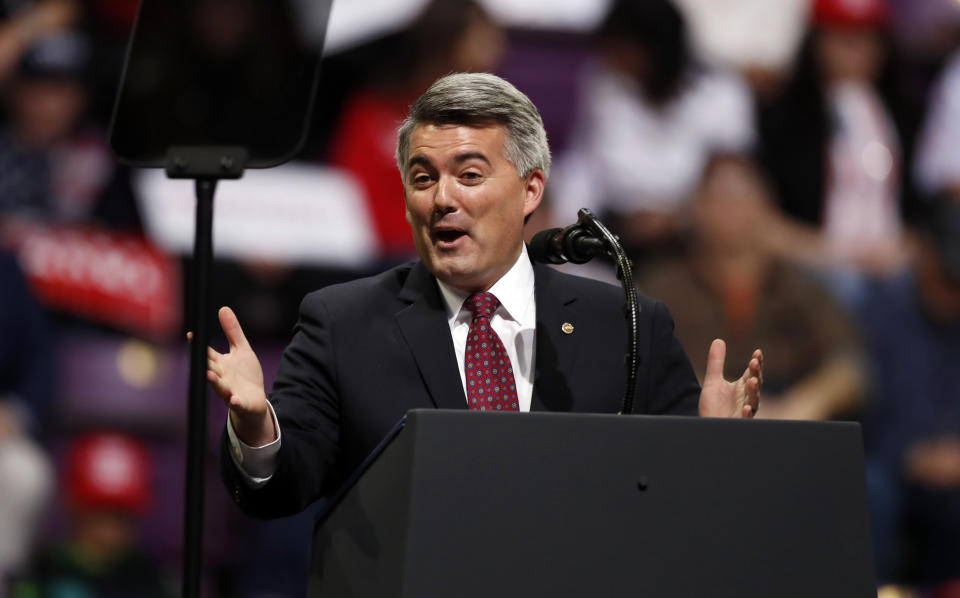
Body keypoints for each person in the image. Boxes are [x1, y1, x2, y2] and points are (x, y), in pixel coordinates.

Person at [208, 73, 763, 519]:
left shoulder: (623, 324)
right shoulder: (343, 322)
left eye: (468, 175)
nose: (442, 199)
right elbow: (281, 489)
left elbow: (678, 505)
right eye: (422, 179)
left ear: (530, 190)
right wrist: (258, 429)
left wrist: (712, 446)